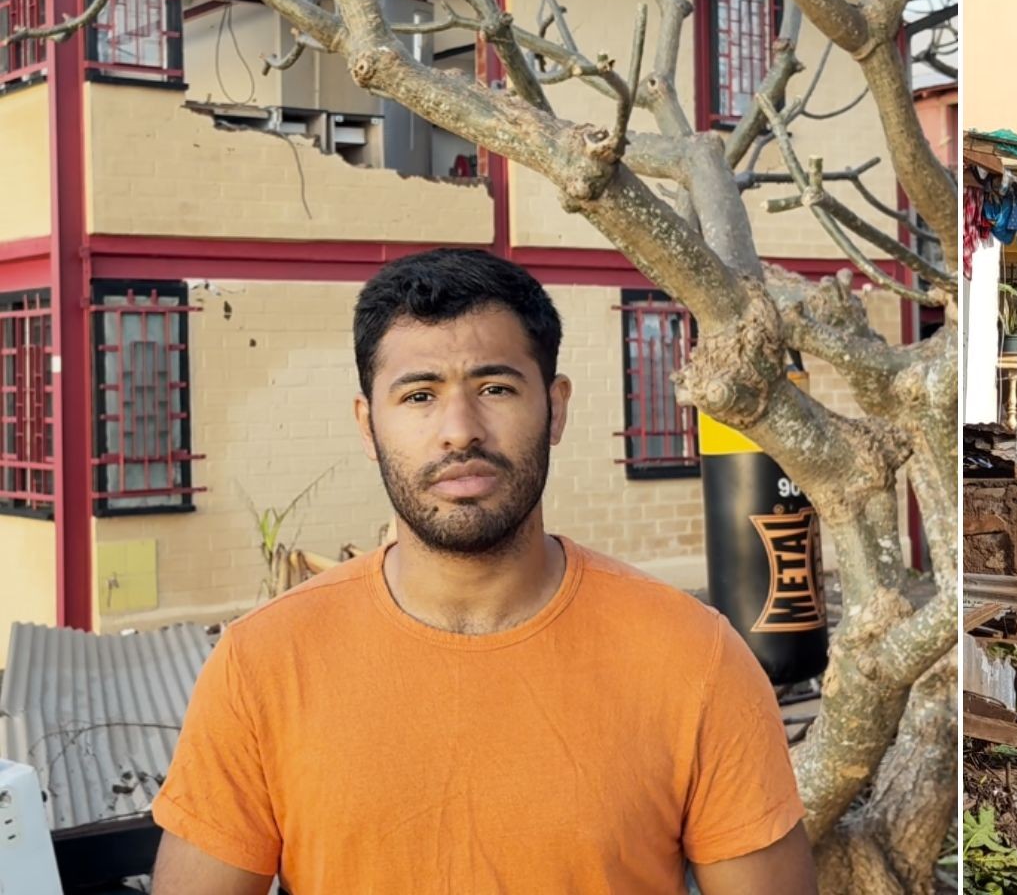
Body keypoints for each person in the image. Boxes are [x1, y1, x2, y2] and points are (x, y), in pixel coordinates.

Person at [150, 249, 815, 895]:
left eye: (495, 388)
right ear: (367, 426)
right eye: (419, 395)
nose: (459, 430)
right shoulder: (263, 663)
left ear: (555, 407)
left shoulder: (695, 658)